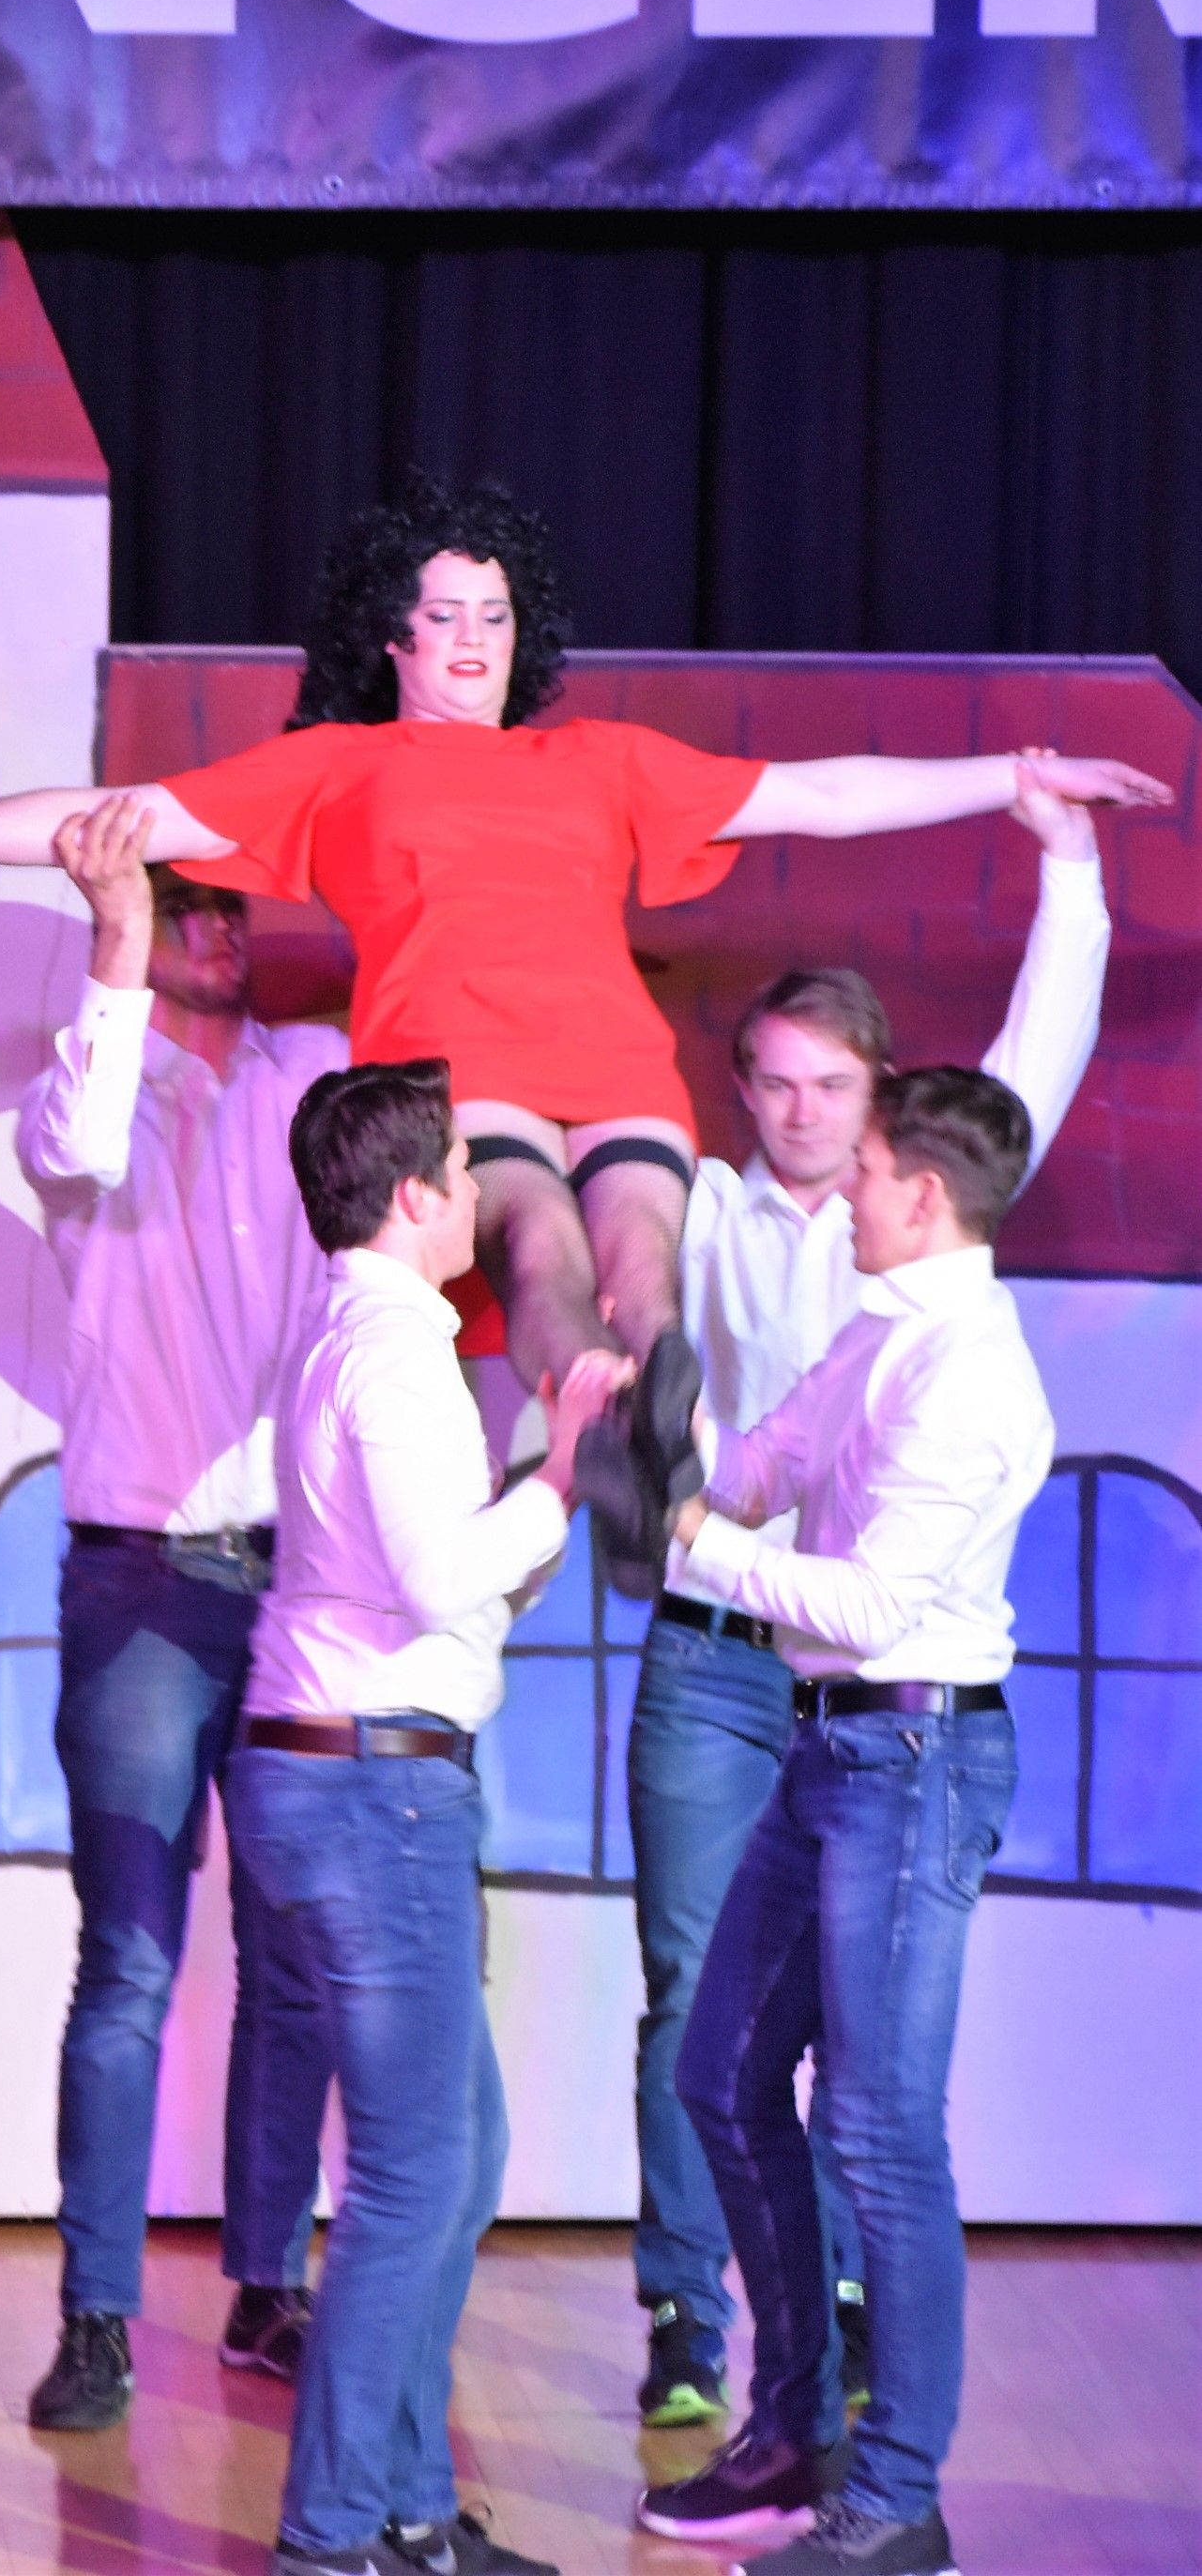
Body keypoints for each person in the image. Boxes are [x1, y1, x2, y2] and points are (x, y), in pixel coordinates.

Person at [0, 473, 1167, 1571]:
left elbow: (822, 793)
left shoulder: (600, 760)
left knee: (643, 1260)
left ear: (519, 632)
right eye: (445, 614)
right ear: (393, 634)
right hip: (466, 1066)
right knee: (539, 1246)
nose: (474, 638)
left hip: (610, 1053)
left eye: (495, 614)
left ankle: (649, 1428)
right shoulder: (335, 768)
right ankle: (598, 1423)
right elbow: (109, 816)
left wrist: (1016, 777)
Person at [628, 769, 1109, 2430]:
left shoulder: (933, 1278)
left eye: (836, 1090)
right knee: (703, 2017)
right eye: (773, 1084)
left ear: (888, 1118)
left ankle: (862, 2381)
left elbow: (1029, 1074)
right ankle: (701, 2327)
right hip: (733, 1662)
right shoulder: (719, 1221)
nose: (805, 1119)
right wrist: (643, 1462)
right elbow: (745, 1443)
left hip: (880, 1689)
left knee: (868, 2082)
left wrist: (1068, 871)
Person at [637, 1064, 1055, 2576]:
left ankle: (897, 2499)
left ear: (923, 1194)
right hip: (833, 1751)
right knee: (721, 2076)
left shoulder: (975, 1374)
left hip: (913, 1756)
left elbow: (872, 1604)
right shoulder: (881, 1329)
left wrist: (691, 1541)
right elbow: (767, 1465)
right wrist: (661, 1442)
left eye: (865, 1166)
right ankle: (795, 2425)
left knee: (878, 2130)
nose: (843, 1187)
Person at [225, 1057, 627, 2576]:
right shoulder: (391, 1352)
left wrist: (540, 1490)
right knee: (413, 2178)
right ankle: (334, 2537)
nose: (478, 1195)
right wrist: (564, 1476)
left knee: (454, 2158)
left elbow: (435, 1577)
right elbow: (441, 1578)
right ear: (412, 1195)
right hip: (370, 1789)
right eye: (464, 1172)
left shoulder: (360, 1334)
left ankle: (403, 2516)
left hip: (353, 1776)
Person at [17, 791, 347, 2431]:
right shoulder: (90, 1087)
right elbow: (72, 1147)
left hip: (299, 1578)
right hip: (142, 1576)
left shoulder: (314, 1077)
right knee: (133, 1960)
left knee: (290, 1964)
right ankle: (96, 2317)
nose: (215, 925)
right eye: (181, 902)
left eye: (229, 902)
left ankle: (268, 2287)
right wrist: (115, 943)